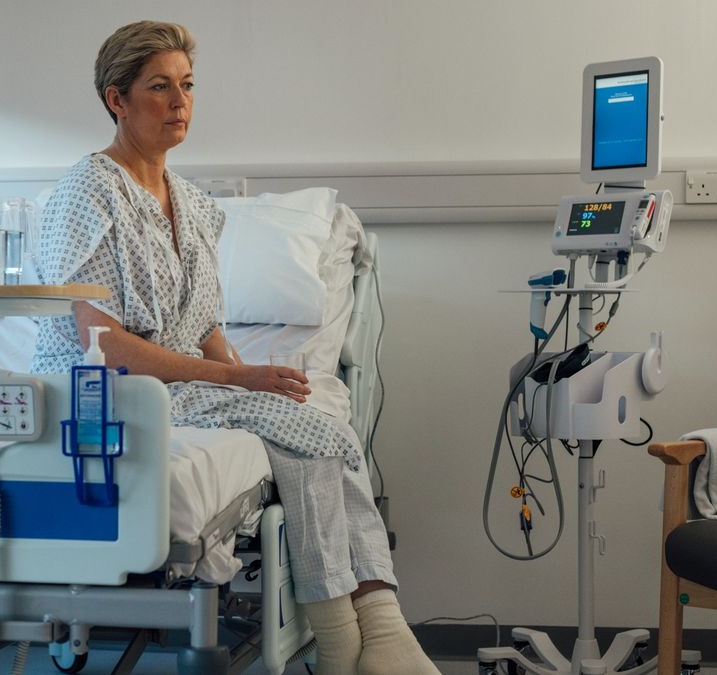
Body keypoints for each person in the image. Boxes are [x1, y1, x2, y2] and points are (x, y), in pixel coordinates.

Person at [30, 21, 439, 675]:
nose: (179, 102)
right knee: (313, 433)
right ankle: (356, 640)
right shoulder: (87, 193)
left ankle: (366, 635)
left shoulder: (190, 202)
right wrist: (242, 385)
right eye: (159, 87)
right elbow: (103, 348)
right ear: (117, 99)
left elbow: (201, 321)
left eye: (187, 86)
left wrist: (247, 373)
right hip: (106, 394)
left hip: (176, 385)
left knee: (318, 424)